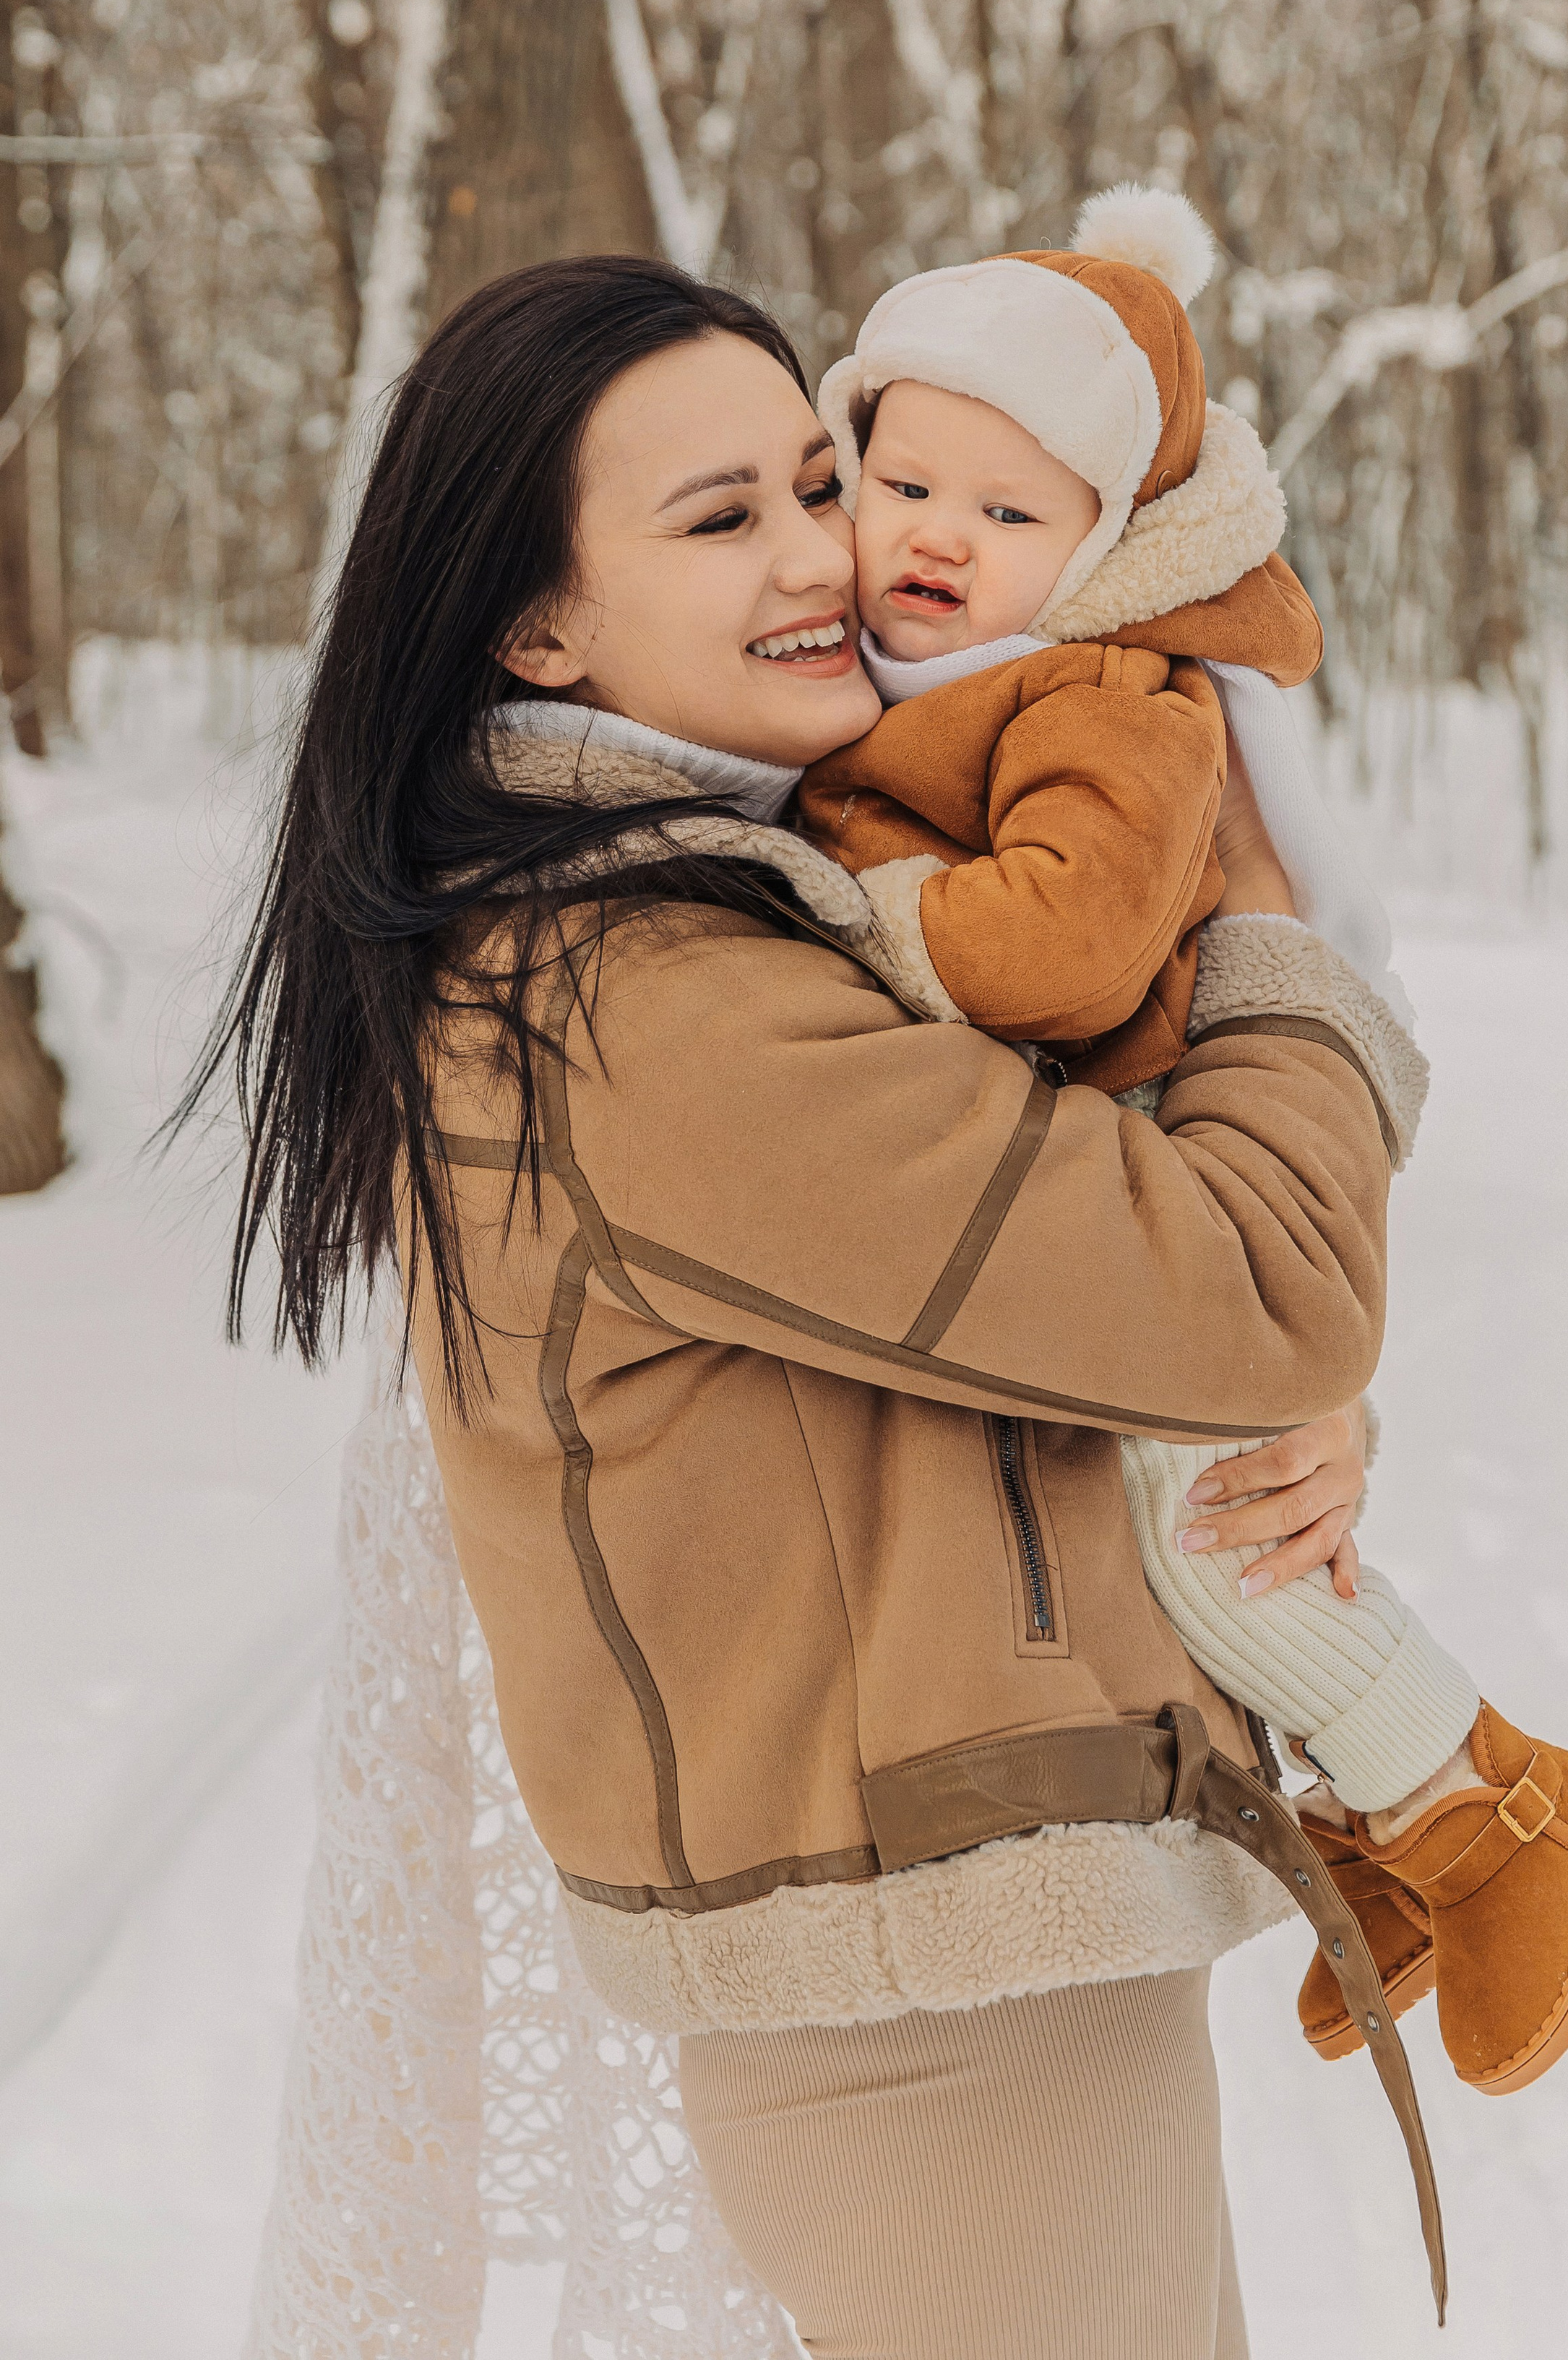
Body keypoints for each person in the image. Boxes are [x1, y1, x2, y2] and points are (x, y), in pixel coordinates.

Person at [201, 254, 1434, 2358]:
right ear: (536, 622)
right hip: (940, 2010)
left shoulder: (717, 926)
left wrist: (1229, 1437)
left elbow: (1054, 1320)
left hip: (967, 1973)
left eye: (818, 472)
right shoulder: (650, 996)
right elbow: (1260, 1281)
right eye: (720, 519)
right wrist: (1253, 910)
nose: (827, 554)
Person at [801, 186, 1568, 2096]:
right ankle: (1398, 1825)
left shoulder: (1109, 694)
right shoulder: (891, 687)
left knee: (1212, 1530)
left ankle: (1491, 1804)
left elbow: (1074, 937)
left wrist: (866, 923)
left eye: (1010, 516)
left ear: (1104, 549)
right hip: (1091, 1161)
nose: (936, 537)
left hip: (1169, 1135)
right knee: (1183, 1530)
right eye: (900, 478)